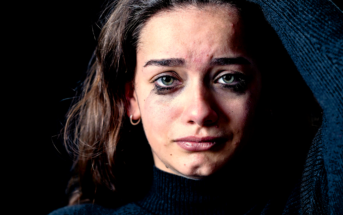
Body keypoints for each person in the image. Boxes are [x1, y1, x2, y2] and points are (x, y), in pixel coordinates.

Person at [50, 0, 342, 214]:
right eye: (166, 80)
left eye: (228, 79)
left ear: (264, 93)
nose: (200, 112)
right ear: (131, 100)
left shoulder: (313, 202)